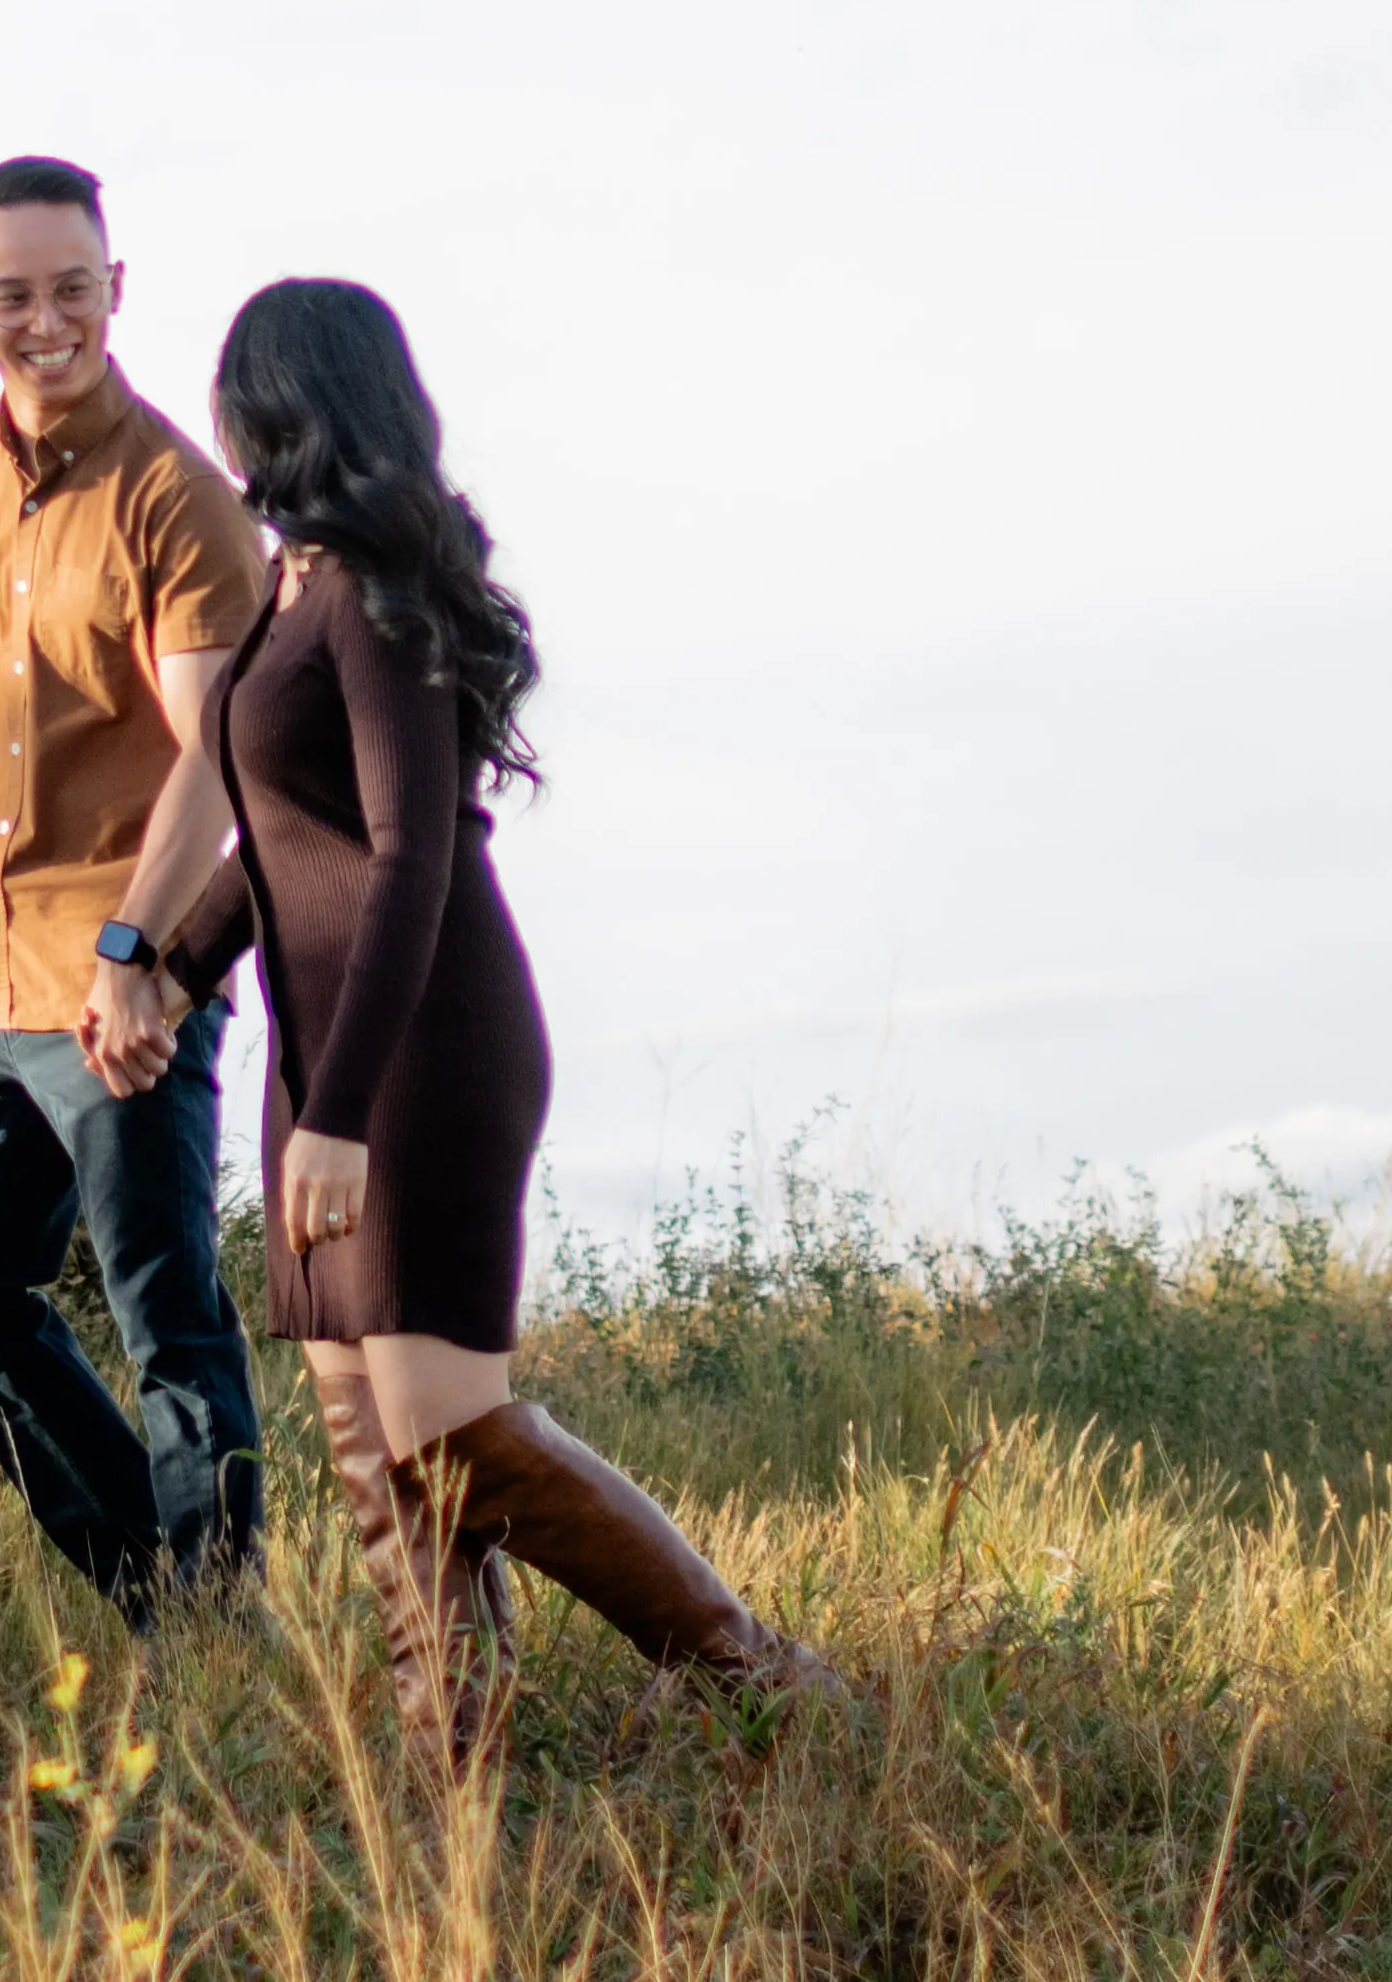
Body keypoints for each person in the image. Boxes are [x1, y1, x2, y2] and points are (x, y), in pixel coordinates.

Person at [101, 273, 827, 1771]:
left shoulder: (377, 598)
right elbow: (276, 839)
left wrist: (345, 1112)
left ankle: (761, 1679)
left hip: (419, 1056)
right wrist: (172, 975)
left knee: (446, 1433)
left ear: (282, 404)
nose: (219, 418)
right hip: (326, 1057)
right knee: (376, 1455)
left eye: (233, 390)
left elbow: (409, 860)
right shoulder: (297, 590)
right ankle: (452, 1774)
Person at [0, 154, 271, 1607]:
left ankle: (221, 1637)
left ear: (115, 289)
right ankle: (155, 1589)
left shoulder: (177, 496)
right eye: (12, 298)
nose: (44, 321)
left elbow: (218, 762)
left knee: (166, 1315)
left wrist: (135, 951)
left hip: (120, 979)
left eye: (70, 290)